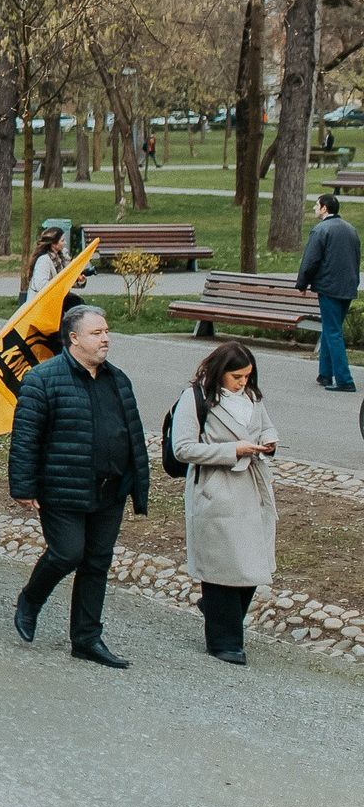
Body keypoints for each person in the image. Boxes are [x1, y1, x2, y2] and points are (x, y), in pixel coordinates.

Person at [9, 305, 150, 669]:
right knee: (68, 553)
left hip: (110, 488)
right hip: (63, 487)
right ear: (73, 338)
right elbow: (26, 438)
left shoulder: (117, 379)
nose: (105, 339)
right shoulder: (43, 379)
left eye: (106, 331)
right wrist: (23, 486)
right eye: (96, 333)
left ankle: (86, 639)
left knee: (97, 562)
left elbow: (131, 431)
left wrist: (136, 478)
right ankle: (32, 597)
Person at [168, 342, 278, 664]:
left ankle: (218, 613)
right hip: (217, 487)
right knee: (222, 565)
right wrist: (233, 450)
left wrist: (269, 441)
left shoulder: (252, 396)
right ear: (220, 372)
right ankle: (224, 641)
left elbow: (266, 424)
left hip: (252, 488)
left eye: (247, 376)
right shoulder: (196, 397)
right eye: (236, 376)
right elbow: (183, 448)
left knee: (253, 563)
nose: (242, 382)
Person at [294, 194, 359, 392]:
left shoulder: (321, 230)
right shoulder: (351, 229)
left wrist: (302, 283)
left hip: (329, 288)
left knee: (332, 332)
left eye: (316, 205)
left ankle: (344, 380)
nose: (314, 208)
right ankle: (324, 373)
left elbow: (311, 260)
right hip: (347, 288)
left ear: (324, 209)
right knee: (331, 330)